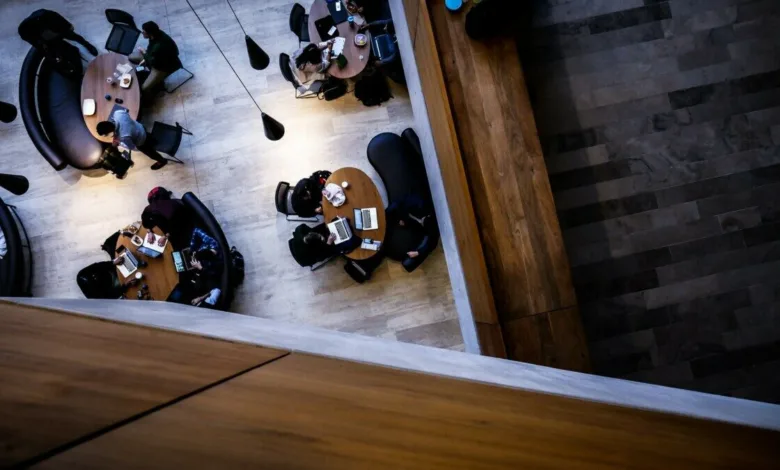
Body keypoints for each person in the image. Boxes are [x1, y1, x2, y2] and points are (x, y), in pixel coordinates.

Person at [96, 108, 168, 170]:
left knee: (151, 153)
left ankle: (162, 160)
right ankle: (153, 141)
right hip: (141, 128)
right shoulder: (117, 113)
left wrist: (119, 142)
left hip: (141, 141)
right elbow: (126, 111)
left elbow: (133, 147)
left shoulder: (123, 137)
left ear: (108, 133)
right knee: (148, 138)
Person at [128, 21, 180, 93]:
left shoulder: (158, 47)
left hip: (163, 68)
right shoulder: (156, 34)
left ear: (150, 34)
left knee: (144, 88)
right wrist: (146, 55)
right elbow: (151, 54)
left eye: (144, 32)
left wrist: (144, 52)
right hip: (155, 58)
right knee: (131, 57)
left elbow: (153, 62)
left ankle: (157, 81)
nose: (142, 33)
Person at [18, 9, 98, 55]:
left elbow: (63, 22)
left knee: (73, 36)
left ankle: (87, 44)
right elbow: (38, 46)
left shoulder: (50, 17)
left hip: (53, 26)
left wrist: (68, 26)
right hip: (38, 34)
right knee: (53, 48)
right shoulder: (26, 31)